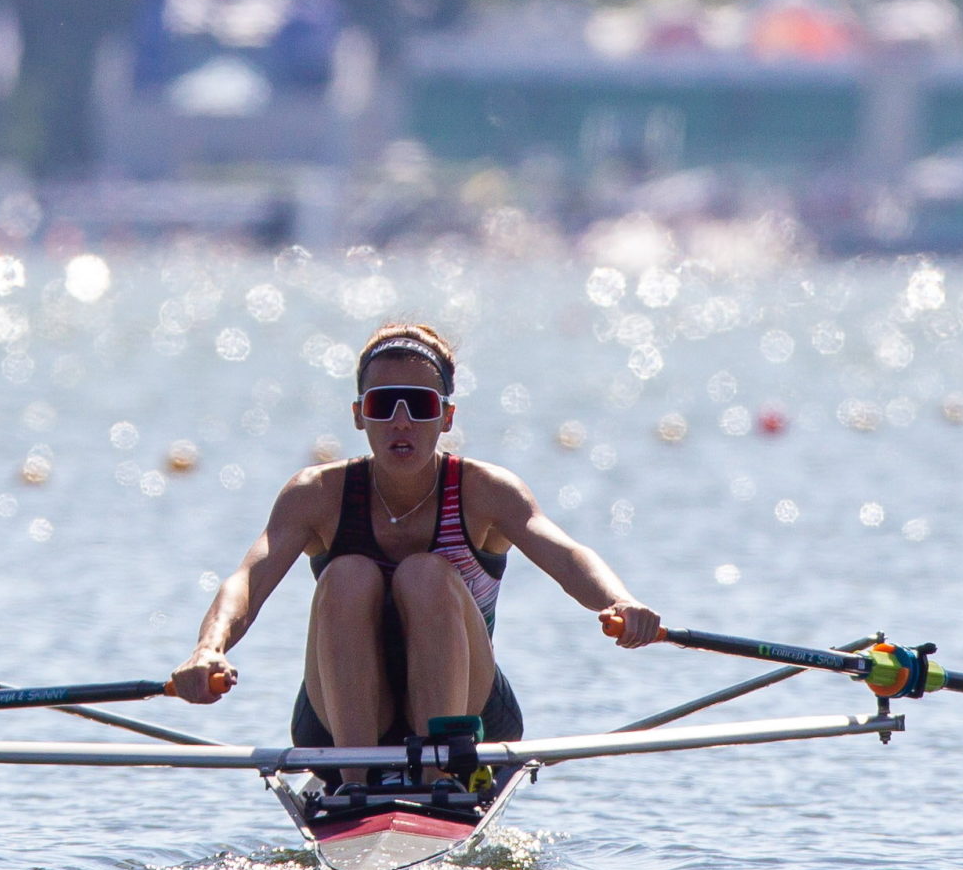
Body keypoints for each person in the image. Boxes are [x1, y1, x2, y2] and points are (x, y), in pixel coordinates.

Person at [170, 321, 662, 778]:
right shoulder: (315, 494)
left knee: (425, 573)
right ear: (360, 415)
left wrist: (620, 602)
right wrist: (207, 649)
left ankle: (438, 778)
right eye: (384, 404)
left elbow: (567, 555)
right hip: (341, 718)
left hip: (470, 716)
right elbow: (247, 581)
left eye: (419, 405)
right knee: (347, 575)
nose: (400, 422)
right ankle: (357, 780)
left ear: (446, 417)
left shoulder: (485, 491)